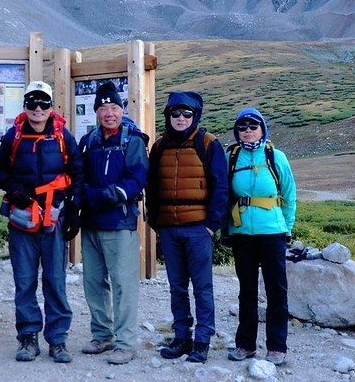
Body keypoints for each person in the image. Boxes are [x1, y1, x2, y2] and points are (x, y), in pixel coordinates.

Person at [0, 81, 84, 363]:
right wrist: (14, 188)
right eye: (32, 103)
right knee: (25, 280)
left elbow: (77, 173)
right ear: (25, 106)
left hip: (55, 218)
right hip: (23, 219)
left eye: (43, 103)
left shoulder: (63, 137)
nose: (38, 108)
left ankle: (58, 340)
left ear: (51, 107)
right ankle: (28, 336)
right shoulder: (13, 137)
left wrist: (74, 212)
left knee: (55, 280)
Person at [145, 91, 227, 364]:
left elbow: (220, 186)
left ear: (196, 115)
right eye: (175, 113)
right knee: (177, 286)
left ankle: (202, 339)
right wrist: (155, 221)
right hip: (168, 228)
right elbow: (152, 187)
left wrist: (211, 225)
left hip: (198, 228)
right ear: (168, 115)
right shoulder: (159, 146)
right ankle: (182, 337)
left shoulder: (208, 143)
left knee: (202, 286)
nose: (181, 118)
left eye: (187, 113)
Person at [78, 82, 148, 365]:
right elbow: (78, 176)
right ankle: (102, 335)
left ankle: (126, 342)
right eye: (103, 108)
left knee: (123, 284)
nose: (109, 113)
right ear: (96, 112)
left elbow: (137, 178)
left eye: (114, 107)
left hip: (120, 223)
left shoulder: (133, 141)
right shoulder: (89, 141)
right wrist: (84, 197)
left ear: (122, 110)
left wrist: (105, 195)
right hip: (92, 223)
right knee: (93, 282)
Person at [225, 108, 296, 366]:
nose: (247, 130)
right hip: (242, 233)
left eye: (253, 126)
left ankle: (277, 346)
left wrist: (287, 228)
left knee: (276, 290)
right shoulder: (230, 157)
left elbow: (289, 195)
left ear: (262, 128)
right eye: (242, 127)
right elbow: (222, 192)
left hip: (273, 232)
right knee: (247, 290)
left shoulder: (276, 157)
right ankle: (245, 345)